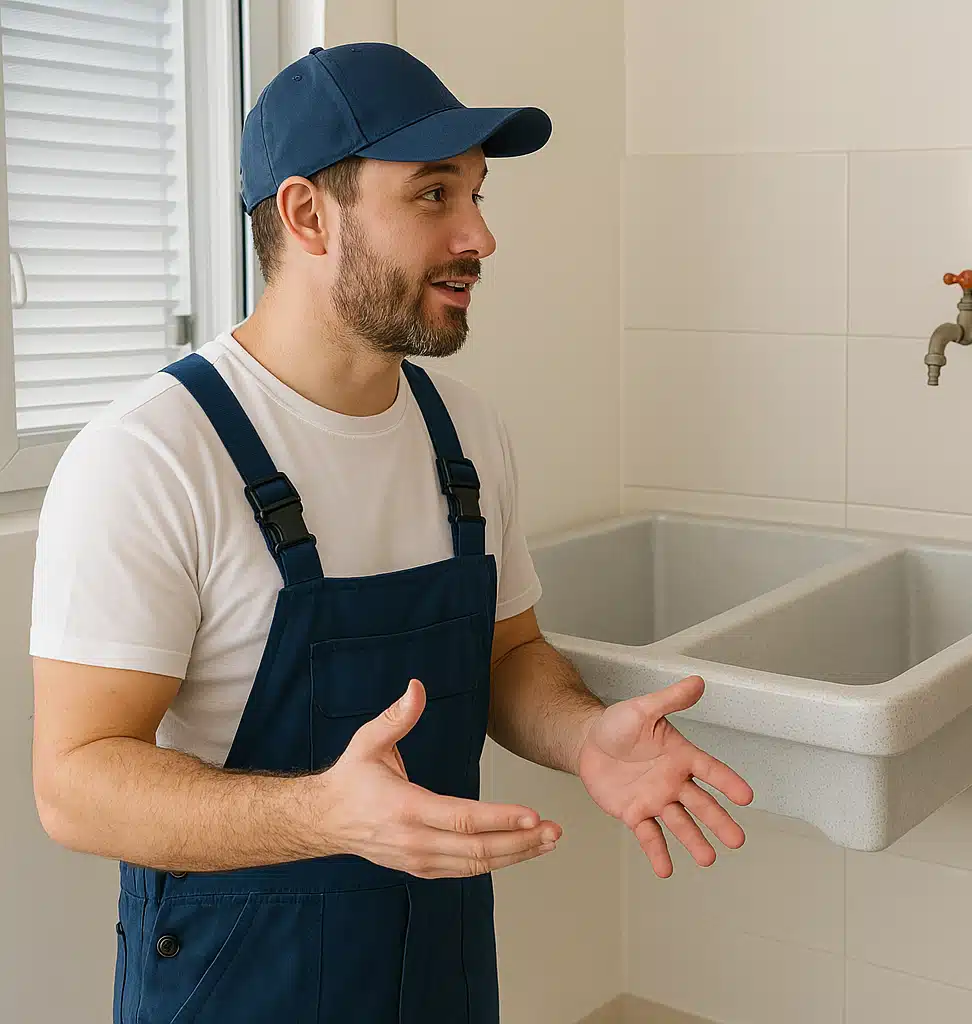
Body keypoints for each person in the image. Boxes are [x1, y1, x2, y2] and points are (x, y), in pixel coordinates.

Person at [29, 43, 753, 1024]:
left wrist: (586, 734)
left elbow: (510, 656)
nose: (480, 237)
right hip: (235, 987)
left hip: (440, 974)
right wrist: (321, 814)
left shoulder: (465, 433)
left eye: (479, 195)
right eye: (433, 196)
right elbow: (75, 782)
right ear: (306, 215)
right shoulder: (151, 456)